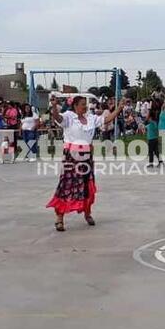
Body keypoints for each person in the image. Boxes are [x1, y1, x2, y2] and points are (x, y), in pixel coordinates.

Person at [47, 95, 126, 232]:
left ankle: (87, 213)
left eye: (86, 104)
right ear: (75, 106)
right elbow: (57, 117)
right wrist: (54, 107)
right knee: (65, 186)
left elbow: (106, 119)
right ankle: (59, 219)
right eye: (83, 104)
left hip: (87, 157)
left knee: (87, 186)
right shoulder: (69, 117)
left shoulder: (91, 118)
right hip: (71, 157)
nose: (85, 106)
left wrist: (119, 108)